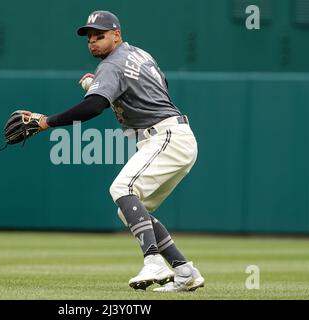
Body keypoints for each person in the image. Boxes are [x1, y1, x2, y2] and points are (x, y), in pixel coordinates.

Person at [29, 10, 205, 292]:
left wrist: (46, 122)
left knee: (122, 188)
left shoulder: (112, 65)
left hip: (166, 137)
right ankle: (184, 271)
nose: (93, 42)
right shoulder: (140, 54)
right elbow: (150, 90)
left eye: (100, 35)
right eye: (89, 38)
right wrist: (103, 88)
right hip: (176, 136)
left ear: (117, 35)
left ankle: (154, 261)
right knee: (133, 212)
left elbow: (92, 106)